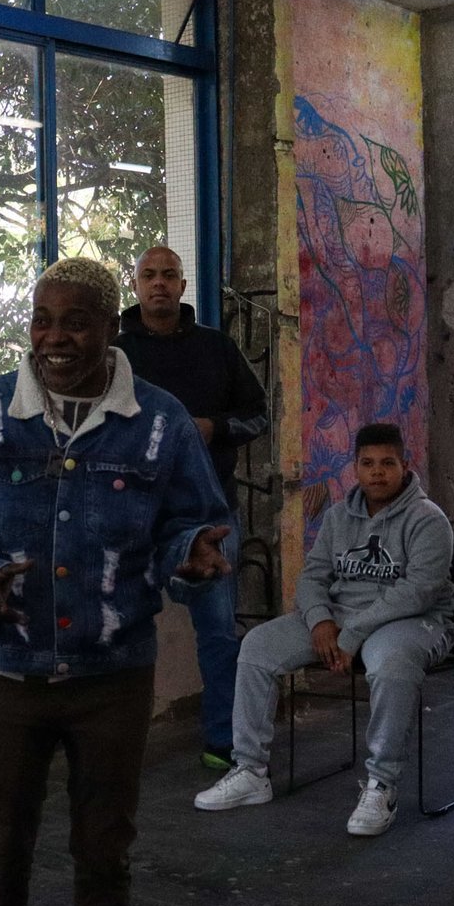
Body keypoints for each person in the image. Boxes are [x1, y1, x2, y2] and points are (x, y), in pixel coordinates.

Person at [0, 257, 231, 906]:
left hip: (112, 678)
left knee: (104, 854)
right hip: (7, 674)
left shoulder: (158, 422)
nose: (54, 337)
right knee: (1, 853)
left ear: (109, 328)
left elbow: (193, 518)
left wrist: (190, 555)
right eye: (42, 319)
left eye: (75, 321)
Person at [193, 422, 454, 836]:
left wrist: (349, 634)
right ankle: (251, 771)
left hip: (409, 620)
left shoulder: (428, 520)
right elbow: (313, 576)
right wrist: (320, 620)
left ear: (405, 466)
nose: (377, 472)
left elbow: (417, 593)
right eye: (367, 463)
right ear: (355, 468)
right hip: (338, 616)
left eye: (387, 463)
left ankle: (382, 784)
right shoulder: (338, 517)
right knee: (258, 646)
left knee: (392, 664)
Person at [114, 245, 268, 770]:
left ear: (183, 286)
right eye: (148, 275)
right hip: (131, 514)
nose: (159, 283)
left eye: (169, 275)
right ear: (135, 285)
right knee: (118, 626)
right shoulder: (114, 356)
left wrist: (214, 427)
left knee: (219, 631)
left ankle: (224, 742)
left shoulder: (216, 347)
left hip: (210, 515)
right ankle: (111, 741)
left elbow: (257, 415)